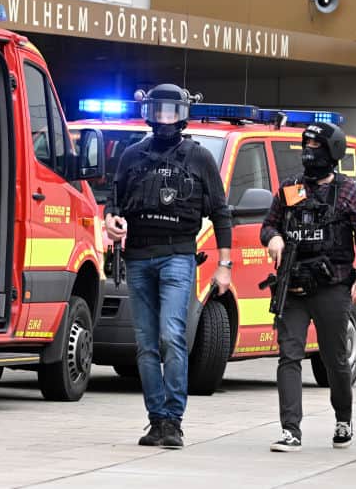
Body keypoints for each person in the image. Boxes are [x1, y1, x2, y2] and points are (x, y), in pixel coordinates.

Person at [104, 84, 233, 449]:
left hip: (178, 256)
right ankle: (156, 418)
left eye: (171, 111)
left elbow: (221, 213)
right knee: (145, 344)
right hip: (139, 257)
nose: (164, 118)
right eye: (158, 111)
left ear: (182, 114)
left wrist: (224, 265)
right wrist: (111, 222)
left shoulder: (199, 158)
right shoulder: (131, 156)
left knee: (171, 336)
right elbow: (113, 205)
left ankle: (174, 420)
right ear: (149, 112)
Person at [260, 122, 356, 452]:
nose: (309, 154)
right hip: (294, 286)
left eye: (316, 148)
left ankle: (343, 417)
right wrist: (274, 237)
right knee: (289, 355)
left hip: (333, 287)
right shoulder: (289, 188)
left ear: (331, 153)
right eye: (306, 147)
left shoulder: (350, 192)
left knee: (335, 359)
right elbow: (268, 225)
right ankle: (290, 430)